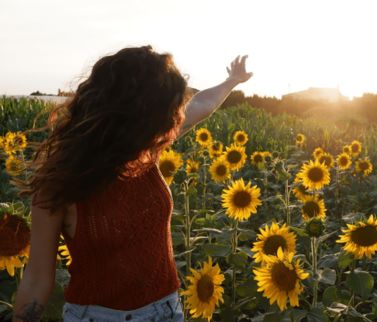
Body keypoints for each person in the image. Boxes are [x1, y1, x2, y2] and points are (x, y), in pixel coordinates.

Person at [12, 45, 252, 322]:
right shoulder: (59, 184)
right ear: (136, 117)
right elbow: (37, 279)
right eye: (166, 115)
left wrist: (232, 81)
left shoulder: (146, 151)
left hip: (165, 311)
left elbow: (201, 105)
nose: (173, 124)